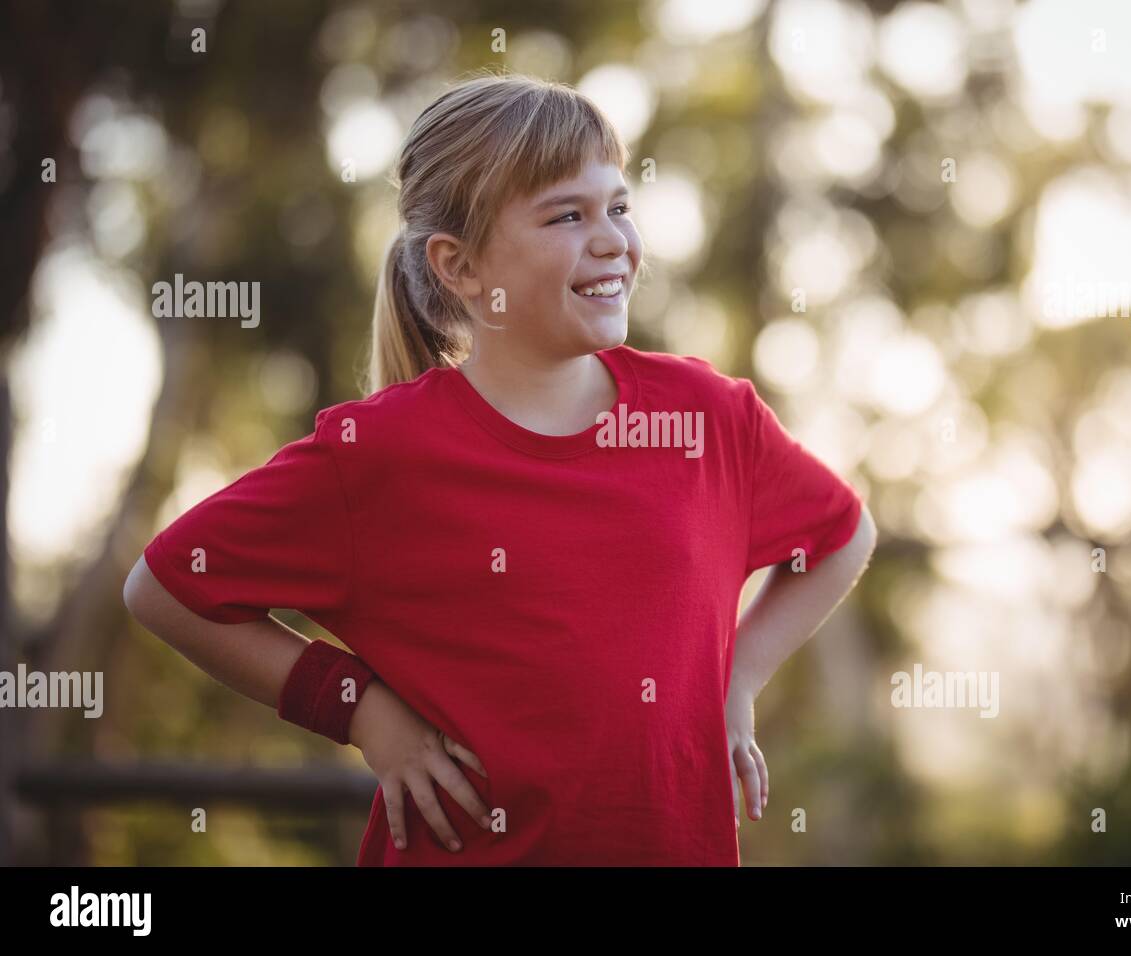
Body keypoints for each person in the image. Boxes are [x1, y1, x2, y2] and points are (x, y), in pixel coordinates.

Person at [123, 70, 878, 866]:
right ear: (459, 267)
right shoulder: (378, 455)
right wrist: (366, 714)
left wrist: (736, 680)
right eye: (566, 215)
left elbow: (840, 535)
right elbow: (166, 587)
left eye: (618, 205)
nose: (613, 239)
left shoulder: (705, 415)